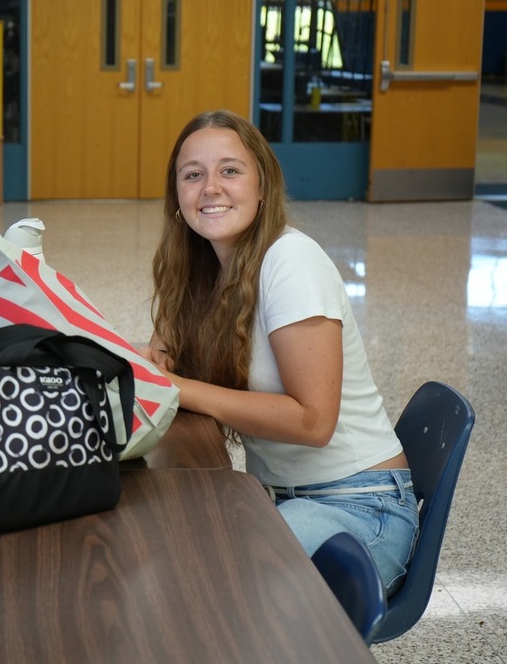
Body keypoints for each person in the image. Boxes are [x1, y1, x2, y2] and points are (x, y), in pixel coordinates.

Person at [141, 110, 418, 594]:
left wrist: (183, 387)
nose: (210, 187)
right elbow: (170, 356)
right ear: (177, 199)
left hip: (360, 509)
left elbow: (313, 421)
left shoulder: (290, 260)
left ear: (263, 185)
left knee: (211, 584)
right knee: (172, 552)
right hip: (283, 499)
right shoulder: (209, 269)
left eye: (230, 170)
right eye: (193, 175)